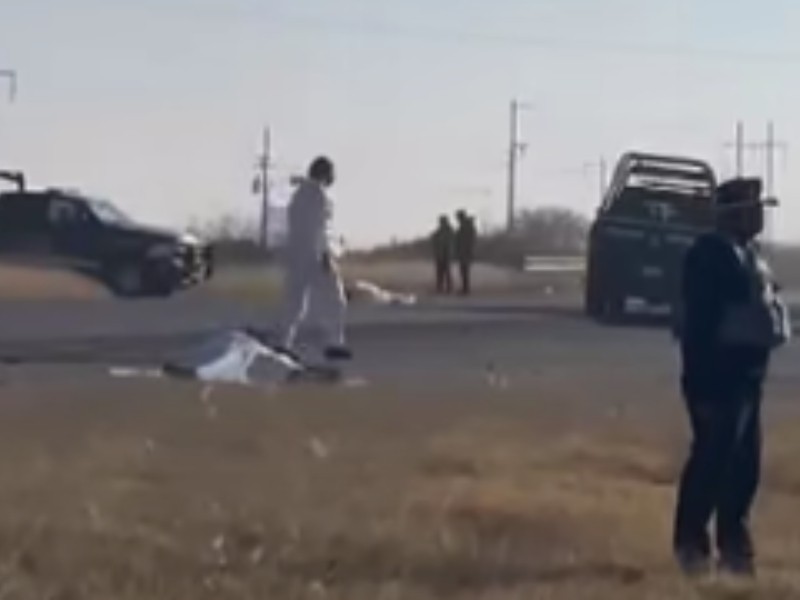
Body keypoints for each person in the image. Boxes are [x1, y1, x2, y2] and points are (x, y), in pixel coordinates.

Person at [672, 177, 789, 578]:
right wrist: (701, 381)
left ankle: (735, 551)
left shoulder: (748, 254)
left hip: (747, 377)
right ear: (733, 214)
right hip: (718, 378)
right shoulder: (710, 255)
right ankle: (691, 546)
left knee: (743, 469)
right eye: (752, 208)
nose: (759, 215)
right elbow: (699, 326)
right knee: (711, 462)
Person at [273, 156, 351, 362]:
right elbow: (319, 229)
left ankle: (283, 342)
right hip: (315, 255)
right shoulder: (319, 196)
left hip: (296, 254)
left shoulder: (299, 195)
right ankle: (335, 342)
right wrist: (326, 253)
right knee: (335, 300)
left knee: (294, 301)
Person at [454, 209, 477, 295]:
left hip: (465, 251)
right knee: (463, 271)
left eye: (458, 217)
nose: (457, 219)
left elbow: (467, 239)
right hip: (465, 250)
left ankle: (465, 289)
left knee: (464, 271)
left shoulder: (466, 226)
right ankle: (465, 288)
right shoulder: (466, 225)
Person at [431, 215, 454, 294]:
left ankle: (448, 288)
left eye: (442, 221)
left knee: (446, 272)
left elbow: (448, 242)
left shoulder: (448, 231)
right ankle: (440, 287)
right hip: (441, 254)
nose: (441, 223)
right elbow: (435, 239)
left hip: (446, 254)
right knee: (441, 273)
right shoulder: (441, 231)